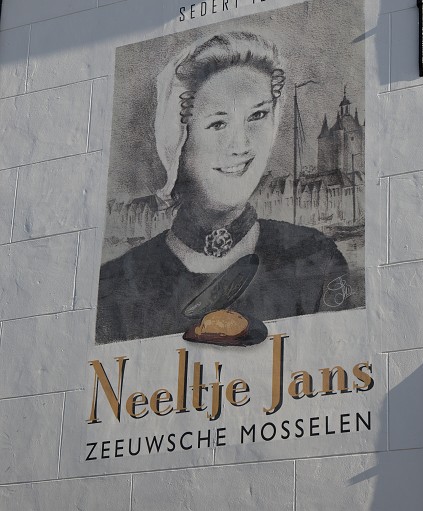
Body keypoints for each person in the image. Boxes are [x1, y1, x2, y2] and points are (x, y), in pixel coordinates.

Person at [96, 31, 351, 344]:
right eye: (218, 123)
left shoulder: (315, 258)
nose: (241, 146)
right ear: (179, 141)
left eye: (257, 115)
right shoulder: (114, 288)